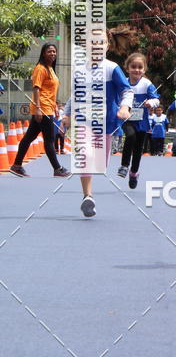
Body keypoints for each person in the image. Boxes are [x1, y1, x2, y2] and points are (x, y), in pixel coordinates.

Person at [61, 27, 134, 217]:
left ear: (107, 46)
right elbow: (73, 96)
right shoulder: (79, 70)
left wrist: (125, 107)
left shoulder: (112, 69)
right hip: (84, 122)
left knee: (101, 164)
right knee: (85, 155)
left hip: (106, 124)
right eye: (92, 41)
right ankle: (88, 196)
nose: (96, 45)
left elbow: (127, 90)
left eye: (100, 42)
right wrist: (66, 114)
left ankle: (90, 186)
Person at [10, 43, 70, 178]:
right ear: (43, 53)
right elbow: (36, 88)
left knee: (29, 137)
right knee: (49, 140)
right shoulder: (40, 68)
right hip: (42, 108)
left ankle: (17, 165)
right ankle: (57, 168)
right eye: (49, 51)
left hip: (48, 107)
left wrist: (54, 105)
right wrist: (38, 109)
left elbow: (50, 90)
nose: (53, 54)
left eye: (54, 51)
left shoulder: (50, 68)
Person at [117, 53, 160, 188]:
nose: (137, 70)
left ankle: (134, 173)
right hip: (127, 118)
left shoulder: (147, 84)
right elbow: (116, 98)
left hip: (142, 121)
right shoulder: (122, 82)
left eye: (140, 67)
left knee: (138, 149)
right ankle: (124, 165)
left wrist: (151, 103)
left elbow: (157, 99)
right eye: (133, 67)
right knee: (130, 136)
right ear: (127, 68)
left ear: (144, 69)